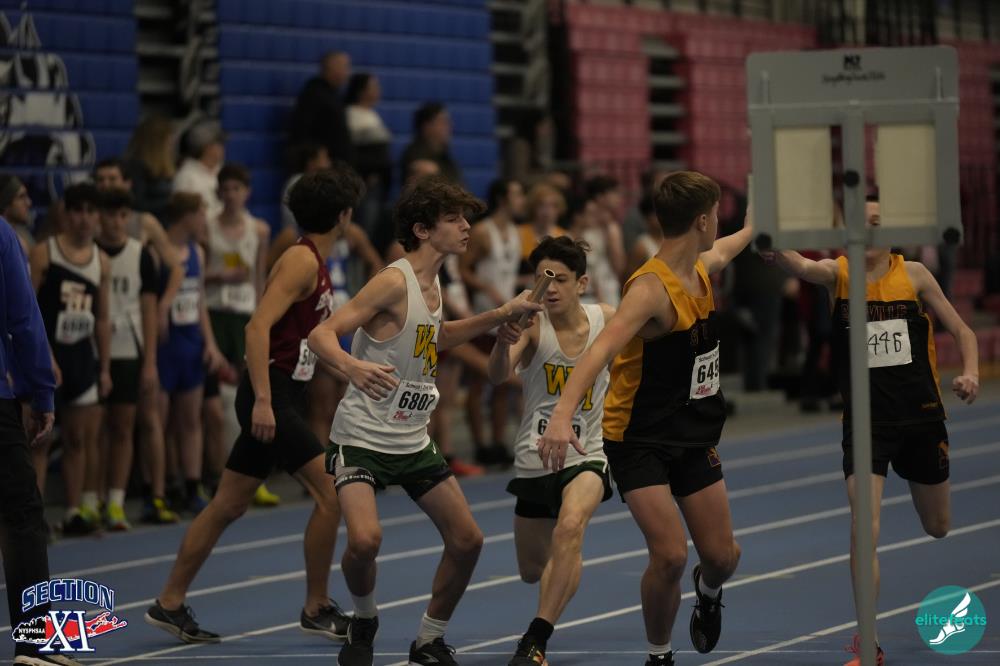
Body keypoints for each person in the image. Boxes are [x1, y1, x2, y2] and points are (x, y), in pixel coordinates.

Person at [307, 175, 542, 666]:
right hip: (362, 437)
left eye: (466, 218)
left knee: (468, 540)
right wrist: (352, 366)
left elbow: (435, 337)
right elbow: (322, 334)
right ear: (422, 229)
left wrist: (500, 313)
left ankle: (428, 641)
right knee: (365, 540)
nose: (466, 227)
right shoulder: (394, 281)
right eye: (453, 219)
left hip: (412, 439)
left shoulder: (435, 283)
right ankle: (364, 618)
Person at [537, 171, 752, 665]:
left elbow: (731, 246)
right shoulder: (649, 290)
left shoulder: (701, 266)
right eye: (716, 215)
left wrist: (758, 219)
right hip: (639, 437)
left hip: (694, 431)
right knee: (671, 553)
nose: (719, 224)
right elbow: (599, 352)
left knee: (722, 557)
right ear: (702, 221)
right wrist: (562, 415)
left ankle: (709, 591)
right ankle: (659, 654)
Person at [145, 167, 362, 645]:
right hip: (273, 394)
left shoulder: (314, 261)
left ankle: (169, 602)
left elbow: (304, 340)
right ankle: (316, 606)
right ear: (343, 216)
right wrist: (264, 400)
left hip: (285, 391)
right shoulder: (301, 260)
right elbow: (256, 327)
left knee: (228, 503)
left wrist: (351, 374)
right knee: (331, 493)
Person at [764, 196, 980, 666]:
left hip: (921, 417)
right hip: (867, 425)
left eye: (878, 222)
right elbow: (800, 265)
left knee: (938, 526)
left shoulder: (916, 275)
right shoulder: (839, 275)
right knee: (864, 529)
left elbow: (963, 331)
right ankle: (869, 641)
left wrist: (970, 372)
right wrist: (772, 243)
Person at [487, 236, 615, 666]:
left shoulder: (606, 319)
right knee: (532, 570)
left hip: (588, 452)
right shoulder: (531, 325)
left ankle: (535, 640)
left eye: (561, 278)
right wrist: (502, 341)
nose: (553, 287)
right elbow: (497, 375)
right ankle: (562, 570)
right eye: (544, 278)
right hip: (535, 456)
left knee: (571, 528)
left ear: (582, 283)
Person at [2, 207, 83, 666]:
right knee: (22, 515)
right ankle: (35, 644)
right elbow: (23, 317)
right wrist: (41, 391)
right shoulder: (1, 235)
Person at [93, 158, 182, 523]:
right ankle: (95, 499)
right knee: (101, 425)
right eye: (100, 179)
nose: (106, 184)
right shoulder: (87, 232)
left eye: (112, 178)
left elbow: (175, 266)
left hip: (134, 336)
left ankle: (154, 494)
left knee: (145, 418)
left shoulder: (143, 227)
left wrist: (162, 307)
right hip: (97, 341)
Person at [29, 183, 112, 536]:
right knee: (40, 440)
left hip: (80, 359)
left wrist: (104, 368)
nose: (84, 219)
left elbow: (102, 319)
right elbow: (27, 310)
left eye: (91, 212)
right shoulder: (44, 254)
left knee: (78, 439)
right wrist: (40, 356)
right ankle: (33, 516)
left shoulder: (101, 261)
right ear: (66, 214)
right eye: (78, 211)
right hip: (46, 359)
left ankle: (74, 510)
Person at [202, 162, 272, 503]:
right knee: (216, 405)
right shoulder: (207, 227)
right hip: (215, 314)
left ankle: (252, 478)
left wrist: (262, 319)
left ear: (247, 193)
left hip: (245, 314)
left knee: (249, 400)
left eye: (237, 189)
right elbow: (196, 276)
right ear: (218, 192)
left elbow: (259, 278)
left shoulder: (259, 229)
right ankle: (218, 476)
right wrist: (220, 277)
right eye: (226, 189)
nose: (231, 195)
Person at [94, 187, 161, 530]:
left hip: (128, 349)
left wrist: (149, 361)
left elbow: (149, 311)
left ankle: (116, 502)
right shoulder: (89, 253)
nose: (116, 222)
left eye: (123, 215)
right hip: (91, 350)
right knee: (93, 430)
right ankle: (92, 499)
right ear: (99, 217)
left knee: (122, 427)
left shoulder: (140, 255)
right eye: (110, 215)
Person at [156, 192, 225, 514]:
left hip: (191, 343)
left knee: (191, 420)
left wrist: (210, 343)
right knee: (162, 422)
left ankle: (192, 484)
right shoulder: (158, 252)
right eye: (200, 215)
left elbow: (199, 303)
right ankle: (167, 482)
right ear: (186, 216)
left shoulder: (197, 251)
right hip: (164, 346)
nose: (203, 222)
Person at [459, 178, 525, 466]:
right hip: (485, 313)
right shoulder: (483, 232)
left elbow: (507, 272)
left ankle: (498, 442)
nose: (522, 200)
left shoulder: (516, 231)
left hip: (508, 313)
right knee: (478, 382)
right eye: (517, 194)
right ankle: (480, 444)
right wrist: (485, 287)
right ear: (502, 199)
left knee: (503, 382)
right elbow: (462, 269)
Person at [345, 72, 392, 238]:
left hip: (377, 184)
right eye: (373, 87)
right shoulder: (352, 115)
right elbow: (353, 152)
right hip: (365, 183)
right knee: (364, 230)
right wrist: (366, 174)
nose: (378, 90)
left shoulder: (372, 114)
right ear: (361, 91)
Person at [290, 51, 355, 166]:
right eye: (345, 67)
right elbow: (302, 131)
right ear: (332, 67)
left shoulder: (333, 95)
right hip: (322, 166)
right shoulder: (314, 95)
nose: (348, 73)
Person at [124, 115, 176, 222]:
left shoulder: (163, 167)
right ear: (156, 143)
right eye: (168, 141)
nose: (171, 145)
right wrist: (170, 202)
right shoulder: (136, 166)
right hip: (146, 224)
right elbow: (138, 205)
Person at [517, 183, 566, 289]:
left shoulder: (564, 237)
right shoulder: (518, 233)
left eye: (552, 206)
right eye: (541, 205)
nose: (546, 211)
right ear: (533, 208)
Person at [399, 102, 463, 185]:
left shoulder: (446, 157)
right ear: (427, 126)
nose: (450, 126)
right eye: (443, 122)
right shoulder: (415, 156)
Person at [174, 122, 225, 220]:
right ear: (206, 148)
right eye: (218, 145)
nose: (222, 149)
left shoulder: (223, 171)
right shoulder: (185, 176)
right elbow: (183, 214)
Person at [0, 174, 34, 253]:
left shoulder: (25, 235)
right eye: (21, 197)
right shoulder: (4, 240)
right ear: (5, 203)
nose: (29, 203)